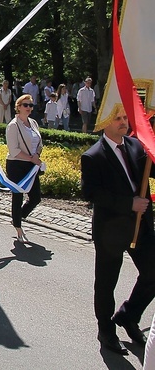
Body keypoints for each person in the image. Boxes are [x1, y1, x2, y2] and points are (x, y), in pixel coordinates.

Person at [81, 107, 155, 355]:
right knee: (106, 284)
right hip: (110, 232)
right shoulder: (93, 156)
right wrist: (129, 204)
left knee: (153, 272)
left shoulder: (135, 145)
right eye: (119, 119)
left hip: (140, 227)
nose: (125, 122)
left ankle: (128, 315)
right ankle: (106, 331)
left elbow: (150, 170)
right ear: (105, 123)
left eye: (125, 118)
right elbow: (91, 193)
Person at [5, 94, 44, 243]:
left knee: (35, 197)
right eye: (26, 105)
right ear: (18, 107)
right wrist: (31, 158)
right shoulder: (13, 125)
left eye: (31, 105)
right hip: (17, 164)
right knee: (18, 195)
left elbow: (39, 143)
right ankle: (18, 227)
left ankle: (18, 216)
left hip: (31, 164)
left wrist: (37, 155)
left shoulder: (33, 123)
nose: (29, 108)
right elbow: (13, 150)